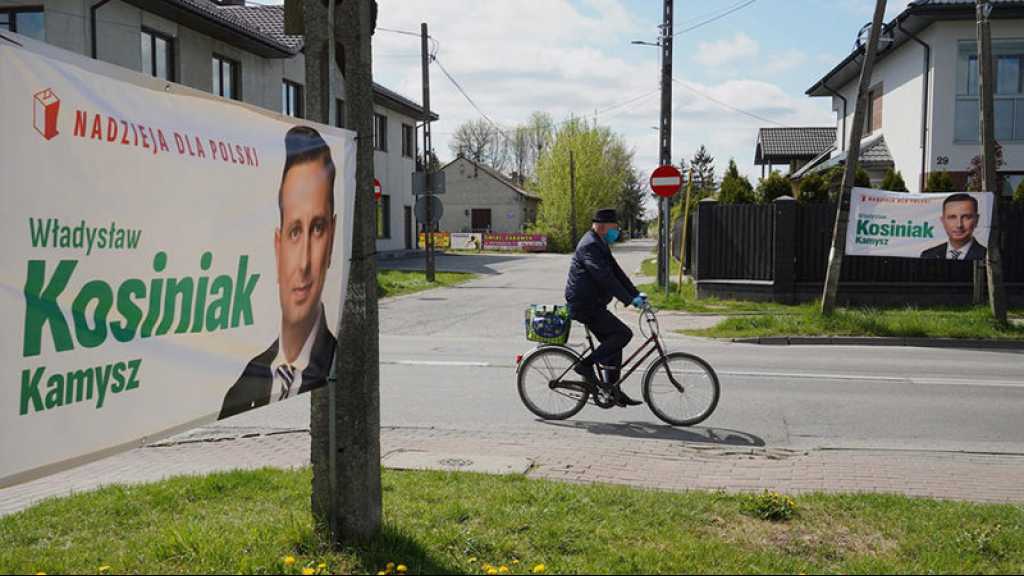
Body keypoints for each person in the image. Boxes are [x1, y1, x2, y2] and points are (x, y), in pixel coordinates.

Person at [219, 126, 338, 420]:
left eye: (318, 229)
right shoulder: (241, 387)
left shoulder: (338, 363)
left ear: (332, 240)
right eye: (295, 231)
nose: (304, 264)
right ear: (278, 246)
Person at [564, 208, 646, 407]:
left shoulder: (600, 242)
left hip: (594, 303)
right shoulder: (589, 245)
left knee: (614, 343)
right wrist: (628, 300)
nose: (616, 231)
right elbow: (605, 277)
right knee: (623, 334)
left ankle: (612, 390)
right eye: (614, 228)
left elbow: (617, 272)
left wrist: (635, 294)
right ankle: (584, 366)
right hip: (584, 305)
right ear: (601, 226)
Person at [920, 193, 987, 260]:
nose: (959, 225)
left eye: (966, 217)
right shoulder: (928, 255)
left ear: (977, 220)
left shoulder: (987, 256)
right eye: (952, 217)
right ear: (943, 221)